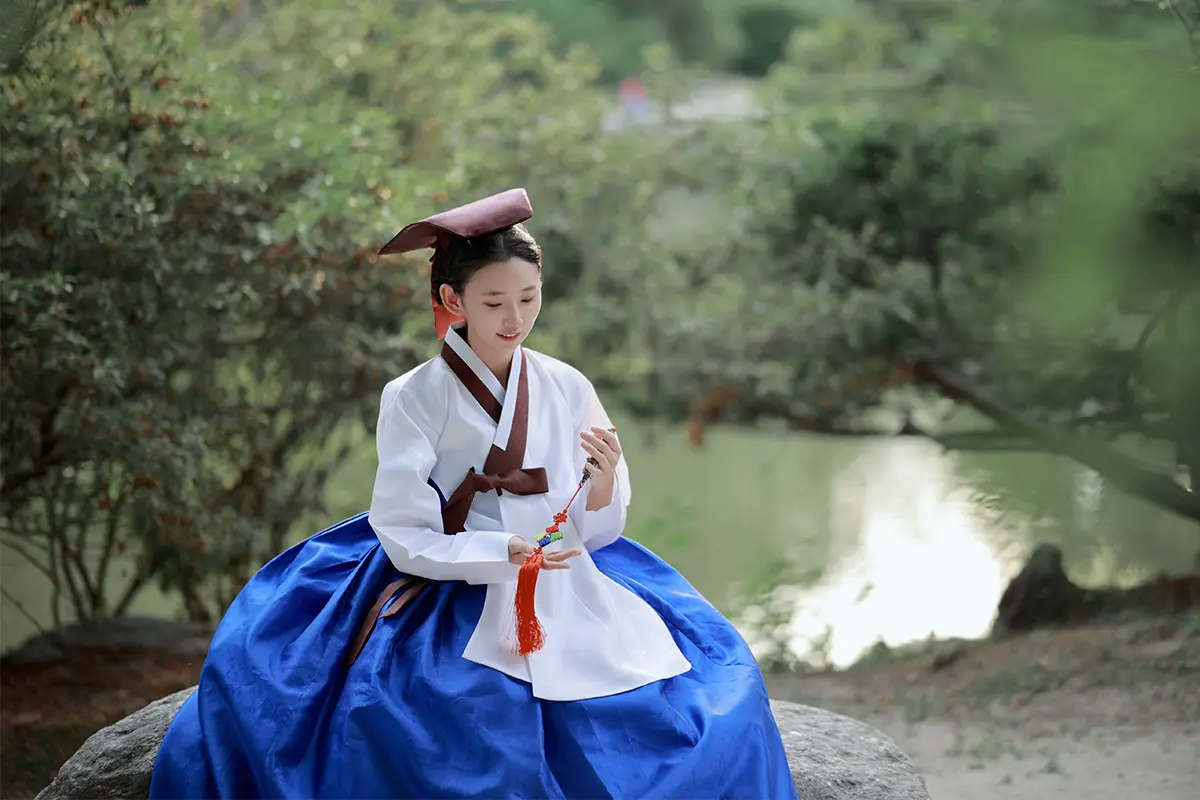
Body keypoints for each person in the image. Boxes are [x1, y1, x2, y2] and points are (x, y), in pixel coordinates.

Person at [149, 189, 798, 799]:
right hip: (450, 571)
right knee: (446, 726)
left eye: (529, 297)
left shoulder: (568, 385)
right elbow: (403, 528)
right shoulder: (413, 396)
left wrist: (601, 486)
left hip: (562, 563)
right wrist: (496, 552)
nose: (515, 319)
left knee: (703, 695)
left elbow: (599, 525)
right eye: (493, 302)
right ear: (451, 299)